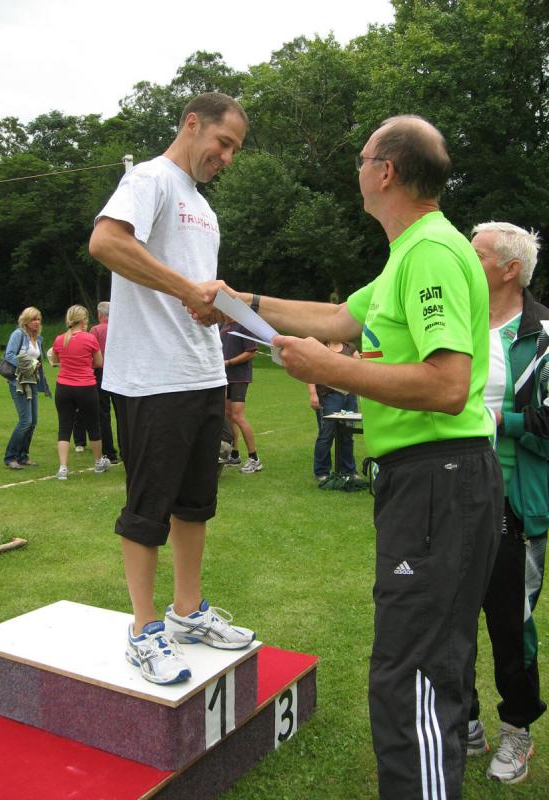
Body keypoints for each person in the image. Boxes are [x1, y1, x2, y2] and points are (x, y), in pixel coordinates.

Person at [203, 115, 503, 800]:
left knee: (413, 676)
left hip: (438, 480)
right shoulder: (409, 253)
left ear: (386, 171)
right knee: (417, 665)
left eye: (362, 158)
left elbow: (447, 384)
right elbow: (338, 319)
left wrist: (330, 370)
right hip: (428, 483)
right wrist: (242, 304)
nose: (358, 170)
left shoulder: (431, 252)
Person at [88, 92, 255, 686]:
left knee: (195, 504)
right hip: (151, 378)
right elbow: (106, 243)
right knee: (147, 509)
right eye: (223, 143)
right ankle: (143, 629)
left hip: (203, 373)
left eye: (234, 150)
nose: (227, 158)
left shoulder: (204, 207)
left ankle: (188, 611)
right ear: (191, 124)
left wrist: (216, 300)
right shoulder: (149, 179)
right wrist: (188, 288)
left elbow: (197, 292)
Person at [467, 222, 548, 783]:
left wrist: (499, 419)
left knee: (510, 623)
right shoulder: (459, 318)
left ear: (510, 269)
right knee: (450, 614)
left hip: (514, 502)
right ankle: (465, 719)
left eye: (478, 254)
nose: (465, 260)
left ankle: (517, 728)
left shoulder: (542, 336)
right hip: (453, 493)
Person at [49, 305, 111, 480]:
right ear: (83, 320)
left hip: (63, 387)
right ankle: (98, 462)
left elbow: (56, 360)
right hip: (86, 387)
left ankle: (63, 467)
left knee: (64, 427)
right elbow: (99, 362)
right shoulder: (90, 338)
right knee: (93, 425)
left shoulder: (59, 339)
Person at [3, 306, 51, 470]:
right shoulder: (18, 334)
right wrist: (28, 364)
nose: (36, 322)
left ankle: (23, 456)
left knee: (33, 421)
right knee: (25, 421)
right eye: (33, 319)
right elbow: (9, 355)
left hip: (32, 382)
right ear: (26, 321)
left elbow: (39, 362)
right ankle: (10, 457)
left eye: (38, 319)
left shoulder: (38, 339)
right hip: (18, 383)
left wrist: (44, 384)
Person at [307, 341, 358, 483]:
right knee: (326, 435)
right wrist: (313, 394)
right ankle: (322, 472)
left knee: (347, 435)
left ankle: (348, 470)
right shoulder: (319, 348)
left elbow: (361, 368)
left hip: (349, 397)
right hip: (328, 397)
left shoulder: (350, 348)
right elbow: (310, 371)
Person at [220, 318, 262, 473]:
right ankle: (234, 454)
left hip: (239, 377)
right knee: (228, 415)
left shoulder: (243, 325)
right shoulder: (222, 325)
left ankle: (254, 459)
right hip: (225, 377)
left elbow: (251, 352)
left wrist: (229, 362)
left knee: (238, 416)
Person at [90, 301, 119, 464]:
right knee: (122, 413)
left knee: (103, 413)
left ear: (100, 315)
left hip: (101, 372)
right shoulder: (119, 328)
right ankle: (127, 449)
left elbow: (91, 353)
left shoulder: (96, 330)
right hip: (120, 372)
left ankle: (109, 452)